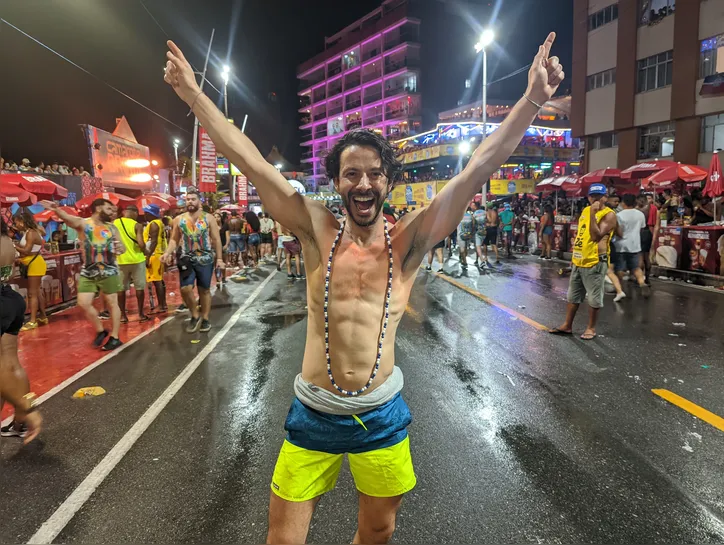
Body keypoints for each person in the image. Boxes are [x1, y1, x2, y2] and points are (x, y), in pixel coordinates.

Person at [163, 32, 564, 544]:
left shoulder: (409, 241)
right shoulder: (314, 230)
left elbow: (477, 168)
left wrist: (531, 100)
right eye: (351, 174)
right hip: (313, 412)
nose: (364, 184)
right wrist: (194, 96)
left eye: (375, 174)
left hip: (381, 416)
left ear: (387, 182)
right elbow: (251, 163)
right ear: (337, 182)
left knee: (377, 533)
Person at [42, 199, 126, 350]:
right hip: (89, 271)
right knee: (83, 303)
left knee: (112, 303)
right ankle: (100, 330)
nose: (112, 213)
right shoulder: (84, 224)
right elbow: (68, 219)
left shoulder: (113, 228)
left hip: (109, 270)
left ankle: (115, 337)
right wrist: (56, 209)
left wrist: (119, 248)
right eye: (109, 209)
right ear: (98, 208)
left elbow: (123, 249)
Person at [550, 184, 615, 340]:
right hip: (580, 260)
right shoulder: (585, 211)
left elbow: (595, 236)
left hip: (595, 261)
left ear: (605, 197)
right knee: (573, 296)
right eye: (593, 196)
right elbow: (581, 236)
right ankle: (567, 325)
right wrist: (575, 257)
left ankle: (591, 328)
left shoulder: (609, 214)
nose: (596, 199)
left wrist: (593, 213)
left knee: (593, 298)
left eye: (599, 196)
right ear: (588, 197)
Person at [0, 219, 43, 442]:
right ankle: (20, 420)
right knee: (10, 363)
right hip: (10, 299)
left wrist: (27, 406)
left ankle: (25, 410)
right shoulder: (7, 240)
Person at [162, 188, 224, 333]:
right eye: (188, 199)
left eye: (193, 199)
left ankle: (206, 318)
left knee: (204, 290)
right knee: (185, 288)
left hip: (205, 259)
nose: (190, 201)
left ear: (199, 201)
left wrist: (220, 258)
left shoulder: (209, 218)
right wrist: (167, 253)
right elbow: (174, 239)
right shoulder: (179, 219)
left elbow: (216, 239)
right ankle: (195, 315)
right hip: (186, 259)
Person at [12, 210, 49, 330]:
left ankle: (33, 321)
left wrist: (14, 246)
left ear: (22, 222)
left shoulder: (31, 233)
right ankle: (43, 316)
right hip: (35, 262)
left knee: (32, 294)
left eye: (16, 222)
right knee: (37, 292)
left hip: (35, 264)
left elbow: (27, 251)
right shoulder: (32, 231)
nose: (16, 225)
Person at [114, 205, 150, 323]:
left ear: (124, 212)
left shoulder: (114, 223)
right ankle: (140, 314)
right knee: (139, 288)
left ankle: (123, 316)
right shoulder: (137, 225)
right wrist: (146, 251)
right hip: (137, 260)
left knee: (121, 289)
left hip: (120, 260)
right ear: (134, 213)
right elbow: (141, 244)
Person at [615, 194, 650, 297]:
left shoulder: (619, 215)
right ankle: (642, 283)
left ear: (623, 203)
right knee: (635, 267)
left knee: (620, 268)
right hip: (635, 245)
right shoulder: (640, 214)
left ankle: (619, 289)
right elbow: (642, 227)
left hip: (621, 245)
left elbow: (618, 231)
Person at [143, 204, 168, 312]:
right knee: (159, 281)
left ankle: (161, 306)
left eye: (146, 213)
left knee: (157, 281)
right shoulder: (159, 223)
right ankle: (163, 304)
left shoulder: (153, 224)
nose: (144, 214)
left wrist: (147, 256)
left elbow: (153, 242)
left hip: (154, 255)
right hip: (158, 253)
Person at [637, 194, 654, 285]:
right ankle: (647, 278)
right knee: (647, 257)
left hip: (640, 232)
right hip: (648, 233)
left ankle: (640, 279)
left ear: (641, 201)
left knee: (640, 257)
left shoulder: (638, 210)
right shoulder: (651, 209)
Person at [457, 206, 475, 271]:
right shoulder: (471, 216)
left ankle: (464, 260)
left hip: (460, 234)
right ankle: (464, 260)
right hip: (468, 234)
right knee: (465, 248)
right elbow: (473, 225)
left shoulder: (458, 216)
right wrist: (471, 234)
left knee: (462, 249)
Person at [472, 201, 487, 268]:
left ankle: (481, 260)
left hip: (478, 232)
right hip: (486, 231)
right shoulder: (485, 212)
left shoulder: (474, 214)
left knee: (478, 247)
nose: (471, 207)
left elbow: (473, 224)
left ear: (475, 206)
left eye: (472, 205)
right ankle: (483, 258)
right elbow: (488, 220)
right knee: (484, 245)